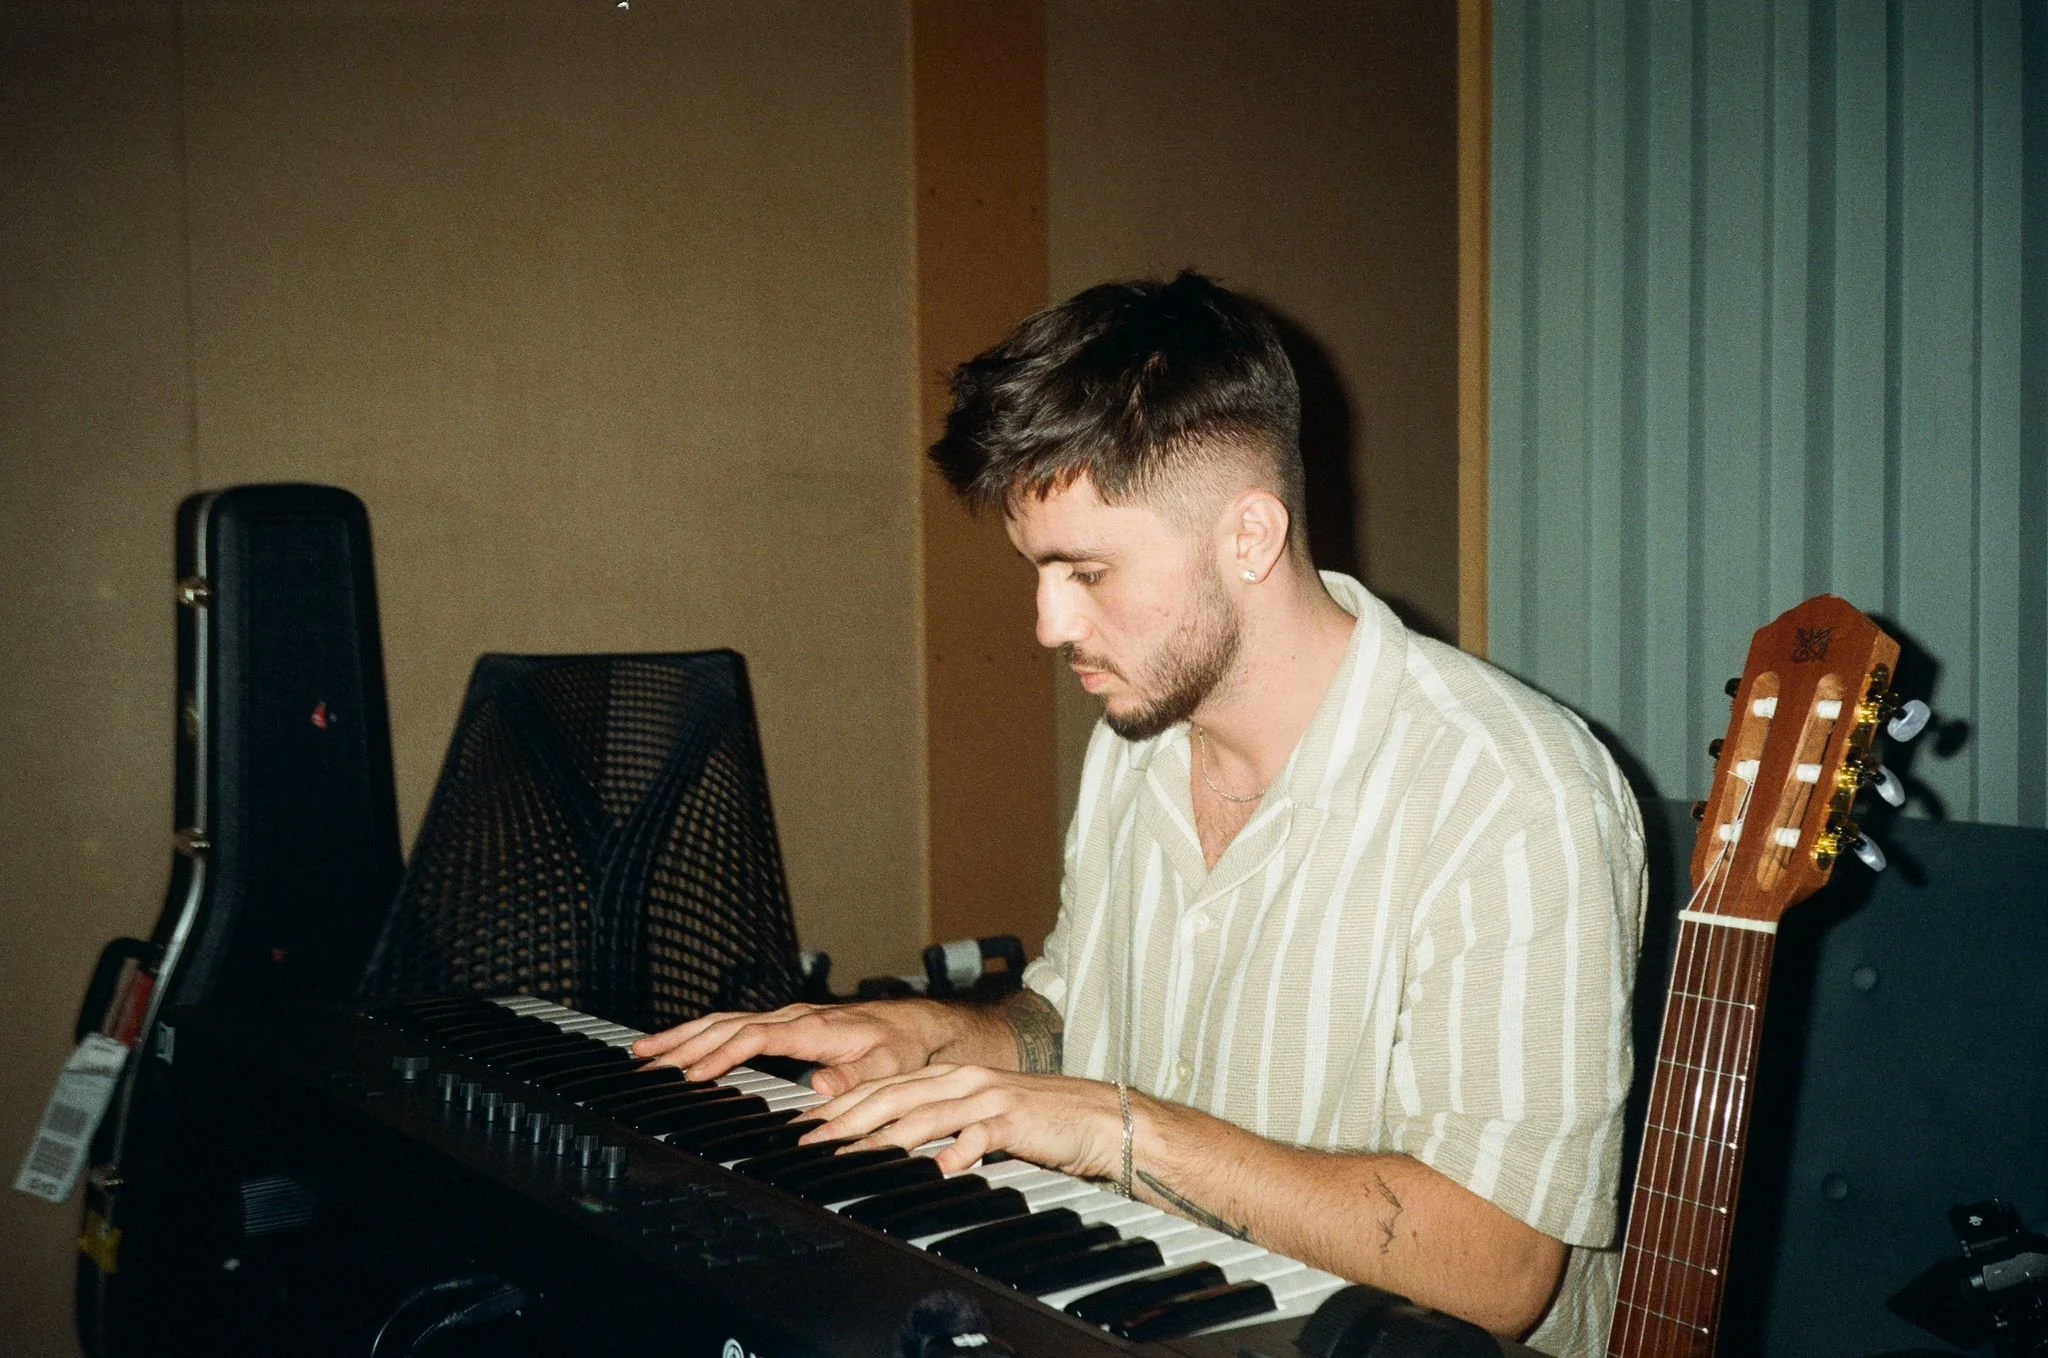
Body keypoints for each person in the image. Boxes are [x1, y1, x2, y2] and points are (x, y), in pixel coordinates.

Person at [635, 272, 1644, 1353]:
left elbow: (1495, 1266)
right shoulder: (1143, 735)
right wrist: (930, 1038)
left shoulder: (1510, 791)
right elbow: (1071, 1021)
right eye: (1037, 571)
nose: (1046, 621)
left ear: (1247, 538)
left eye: (1086, 571)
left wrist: (1120, 1129)